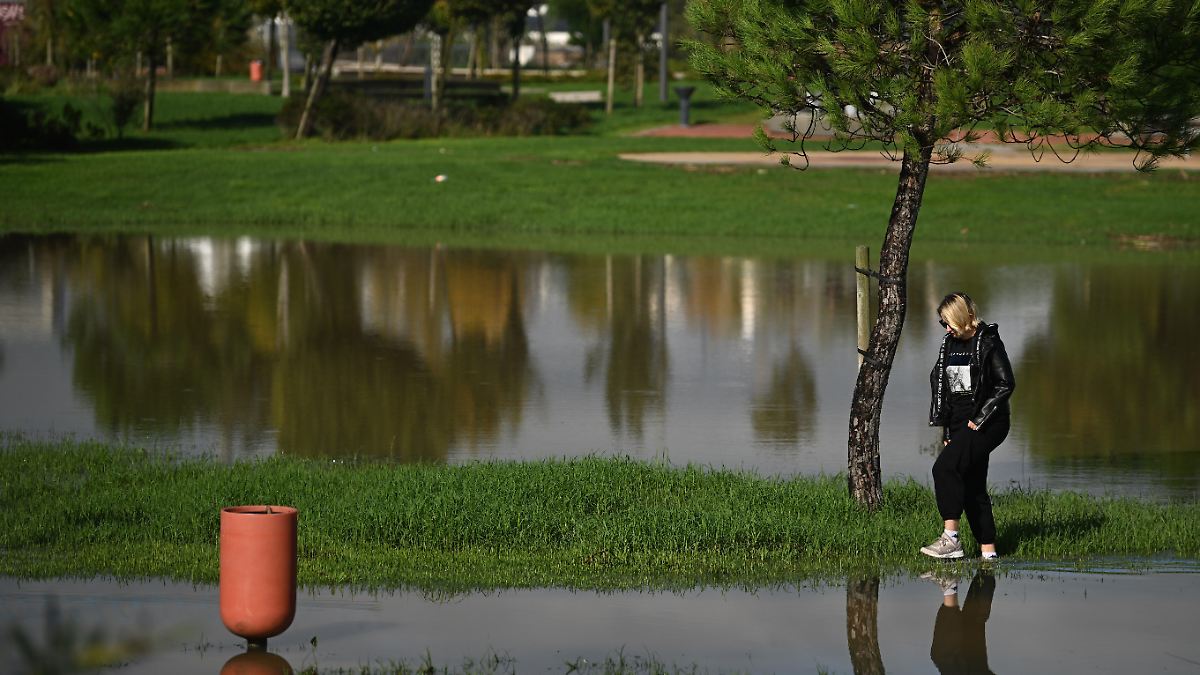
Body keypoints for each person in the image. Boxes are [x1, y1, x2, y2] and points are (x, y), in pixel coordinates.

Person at [922, 292, 1014, 561]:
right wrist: (949, 431)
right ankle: (989, 555)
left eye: (949, 323)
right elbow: (946, 391)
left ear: (963, 318)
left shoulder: (988, 342)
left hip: (989, 423)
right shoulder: (949, 345)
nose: (946, 329)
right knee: (973, 487)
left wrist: (980, 418)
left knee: (944, 468)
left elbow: (1005, 384)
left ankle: (950, 539)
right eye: (943, 324)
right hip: (961, 424)